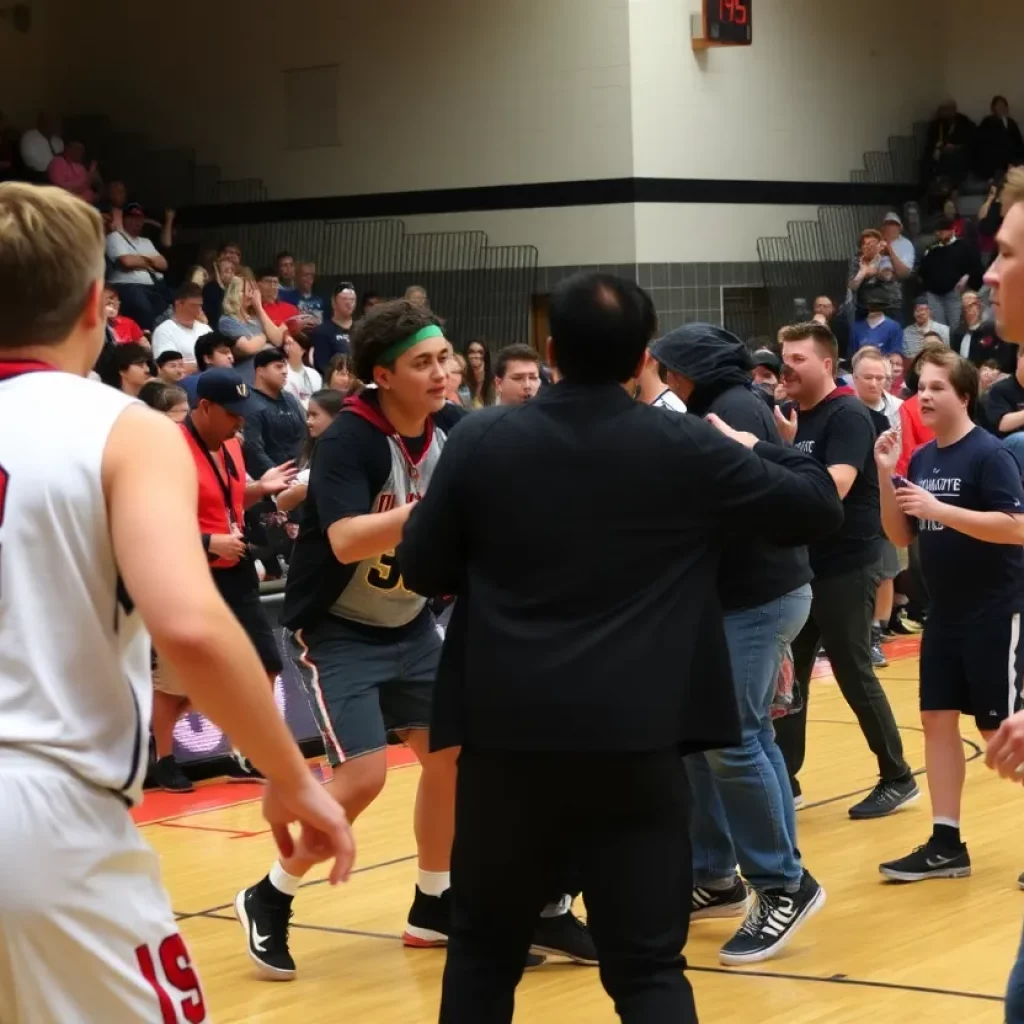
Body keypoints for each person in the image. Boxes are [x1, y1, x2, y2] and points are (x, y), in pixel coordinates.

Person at [397, 273, 845, 1024]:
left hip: (508, 742)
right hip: (636, 745)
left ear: (549, 352)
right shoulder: (684, 445)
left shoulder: (480, 438)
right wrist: (763, 444)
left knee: (482, 957)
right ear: (643, 359)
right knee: (647, 971)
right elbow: (817, 509)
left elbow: (423, 569)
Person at [0, 181, 354, 1023]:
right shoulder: (121, 428)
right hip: (39, 812)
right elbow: (189, 626)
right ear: (96, 302)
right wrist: (289, 774)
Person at [234, 300, 592, 981]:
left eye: (444, 359)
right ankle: (269, 894)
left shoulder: (453, 428)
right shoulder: (351, 439)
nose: (441, 373)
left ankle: (434, 904)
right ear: (383, 376)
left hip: (411, 624)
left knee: (454, 760)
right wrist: (433, 510)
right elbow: (345, 540)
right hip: (335, 630)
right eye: (423, 363)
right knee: (363, 777)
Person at [649, 323, 823, 966]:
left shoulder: (730, 410)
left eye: (667, 367)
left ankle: (783, 885)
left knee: (735, 739)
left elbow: (737, 504)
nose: (662, 376)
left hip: (758, 595)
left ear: (686, 371)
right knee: (710, 738)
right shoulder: (724, 404)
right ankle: (716, 875)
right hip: (739, 596)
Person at [875, 348, 1024, 882]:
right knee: (936, 721)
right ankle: (946, 844)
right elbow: (900, 535)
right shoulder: (921, 459)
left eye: (937, 386)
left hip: (995, 612)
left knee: (1000, 731)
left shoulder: (990, 454)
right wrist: (886, 475)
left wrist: (941, 510)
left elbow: (1017, 527)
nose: (925, 395)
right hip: (945, 616)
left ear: (963, 396)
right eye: (920, 386)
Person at [771, 322, 918, 817]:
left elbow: (832, 487)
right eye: (785, 357)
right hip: (806, 567)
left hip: (845, 565)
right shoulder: (798, 416)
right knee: (790, 678)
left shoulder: (848, 413)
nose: (787, 367)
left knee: (853, 672)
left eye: (798, 359)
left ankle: (897, 776)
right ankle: (786, 778)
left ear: (827, 364)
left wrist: (772, 455)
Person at [310, 282, 356, 374]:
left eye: (352, 299)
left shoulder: (362, 329)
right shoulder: (322, 331)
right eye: (344, 299)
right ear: (333, 302)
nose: (349, 303)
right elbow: (323, 367)